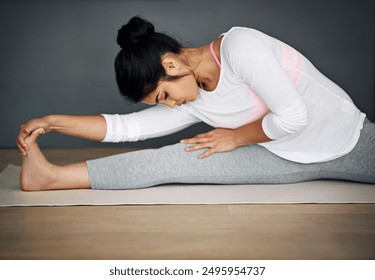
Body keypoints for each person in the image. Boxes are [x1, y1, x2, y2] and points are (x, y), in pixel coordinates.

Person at [16, 16, 375, 191]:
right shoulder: (190, 93)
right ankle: (51, 177)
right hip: (279, 152)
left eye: (163, 97)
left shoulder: (241, 47)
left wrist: (234, 138)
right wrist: (52, 121)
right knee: (173, 158)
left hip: (348, 139)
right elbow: (131, 128)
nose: (169, 106)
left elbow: (294, 117)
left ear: (170, 65)